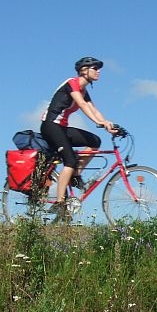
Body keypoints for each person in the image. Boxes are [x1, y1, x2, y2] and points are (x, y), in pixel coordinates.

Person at [40, 56, 117, 219]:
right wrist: (100, 123)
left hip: (62, 128)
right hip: (50, 126)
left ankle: (75, 174)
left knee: (94, 141)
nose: (98, 71)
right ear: (84, 70)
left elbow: (92, 108)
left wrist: (107, 123)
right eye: (95, 68)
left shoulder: (84, 91)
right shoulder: (72, 83)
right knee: (69, 160)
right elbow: (82, 105)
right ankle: (60, 203)